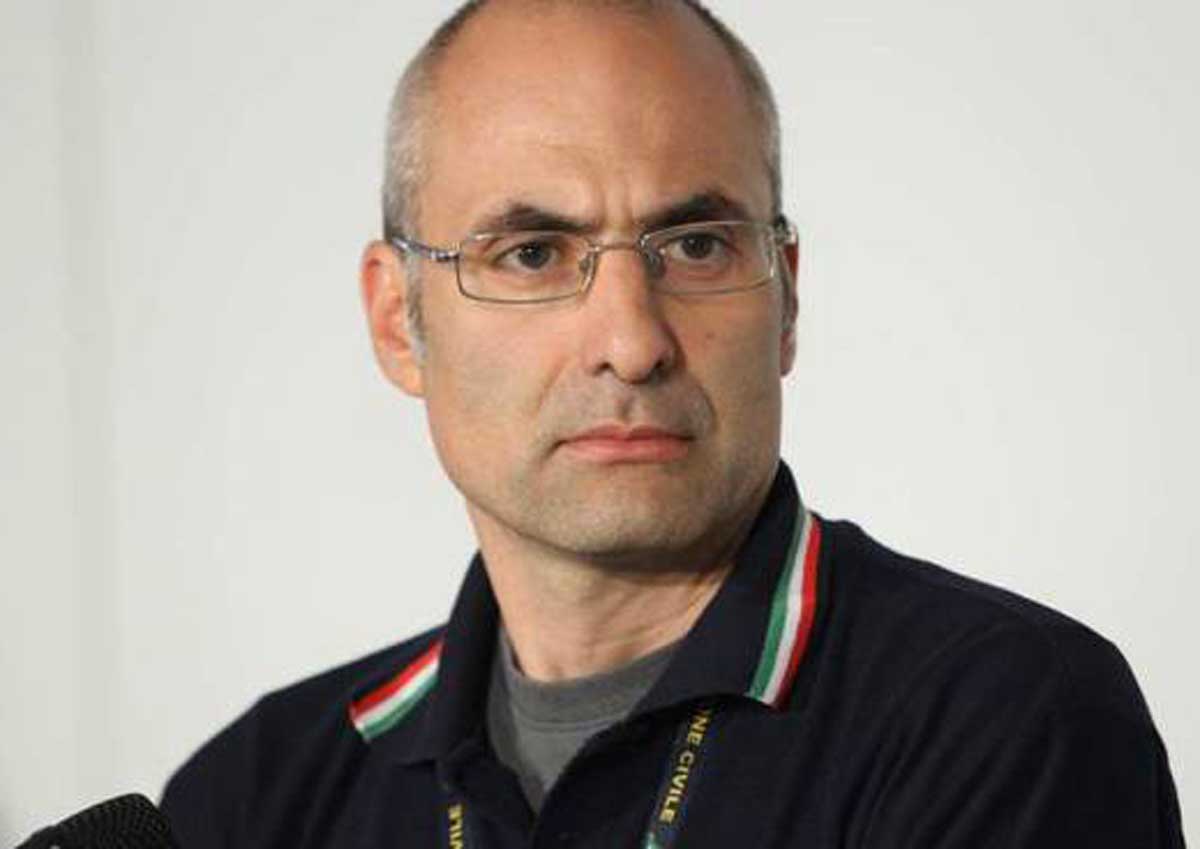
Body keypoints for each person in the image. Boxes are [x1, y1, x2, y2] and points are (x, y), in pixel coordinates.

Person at [160, 1, 1185, 846]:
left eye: (696, 246)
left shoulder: (1001, 718)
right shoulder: (256, 796)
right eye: (532, 255)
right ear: (398, 322)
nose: (632, 340)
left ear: (786, 297)